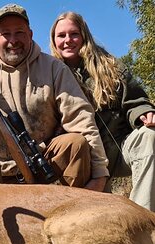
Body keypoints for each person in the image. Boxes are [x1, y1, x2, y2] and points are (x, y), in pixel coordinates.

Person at [0, 3, 109, 190]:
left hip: (45, 163)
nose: (13, 40)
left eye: (19, 33)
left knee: (75, 143)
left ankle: (71, 209)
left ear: (30, 35)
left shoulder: (54, 68)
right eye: (5, 34)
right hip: (0, 171)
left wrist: (100, 173)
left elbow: (82, 121)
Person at [50, 11, 155, 210]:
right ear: (54, 41)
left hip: (119, 150)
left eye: (74, 34)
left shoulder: (110, 66)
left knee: (150, 136)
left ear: (84, 36)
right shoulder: (49, 73)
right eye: (61, 36)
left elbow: (135, 100)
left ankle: (142, 218)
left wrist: (144, 112)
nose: (68, 40)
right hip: (85, 160)